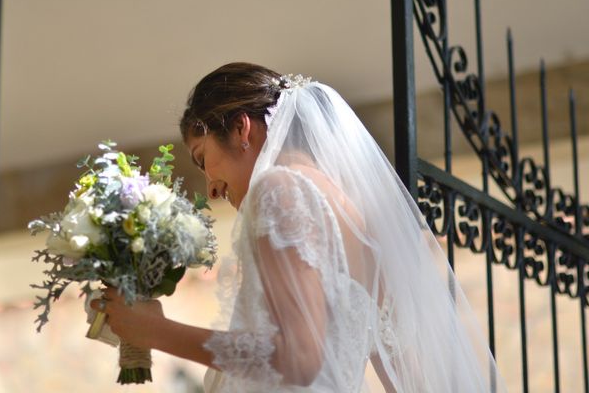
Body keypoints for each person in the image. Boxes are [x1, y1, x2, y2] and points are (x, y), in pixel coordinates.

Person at [92, 62, 506, 392]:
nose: (211, 189)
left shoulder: (278, 190)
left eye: (203, 159)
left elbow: (299, 359)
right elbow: (399, 368)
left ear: (241, 128)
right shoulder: (356, 222)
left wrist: (155, 331)